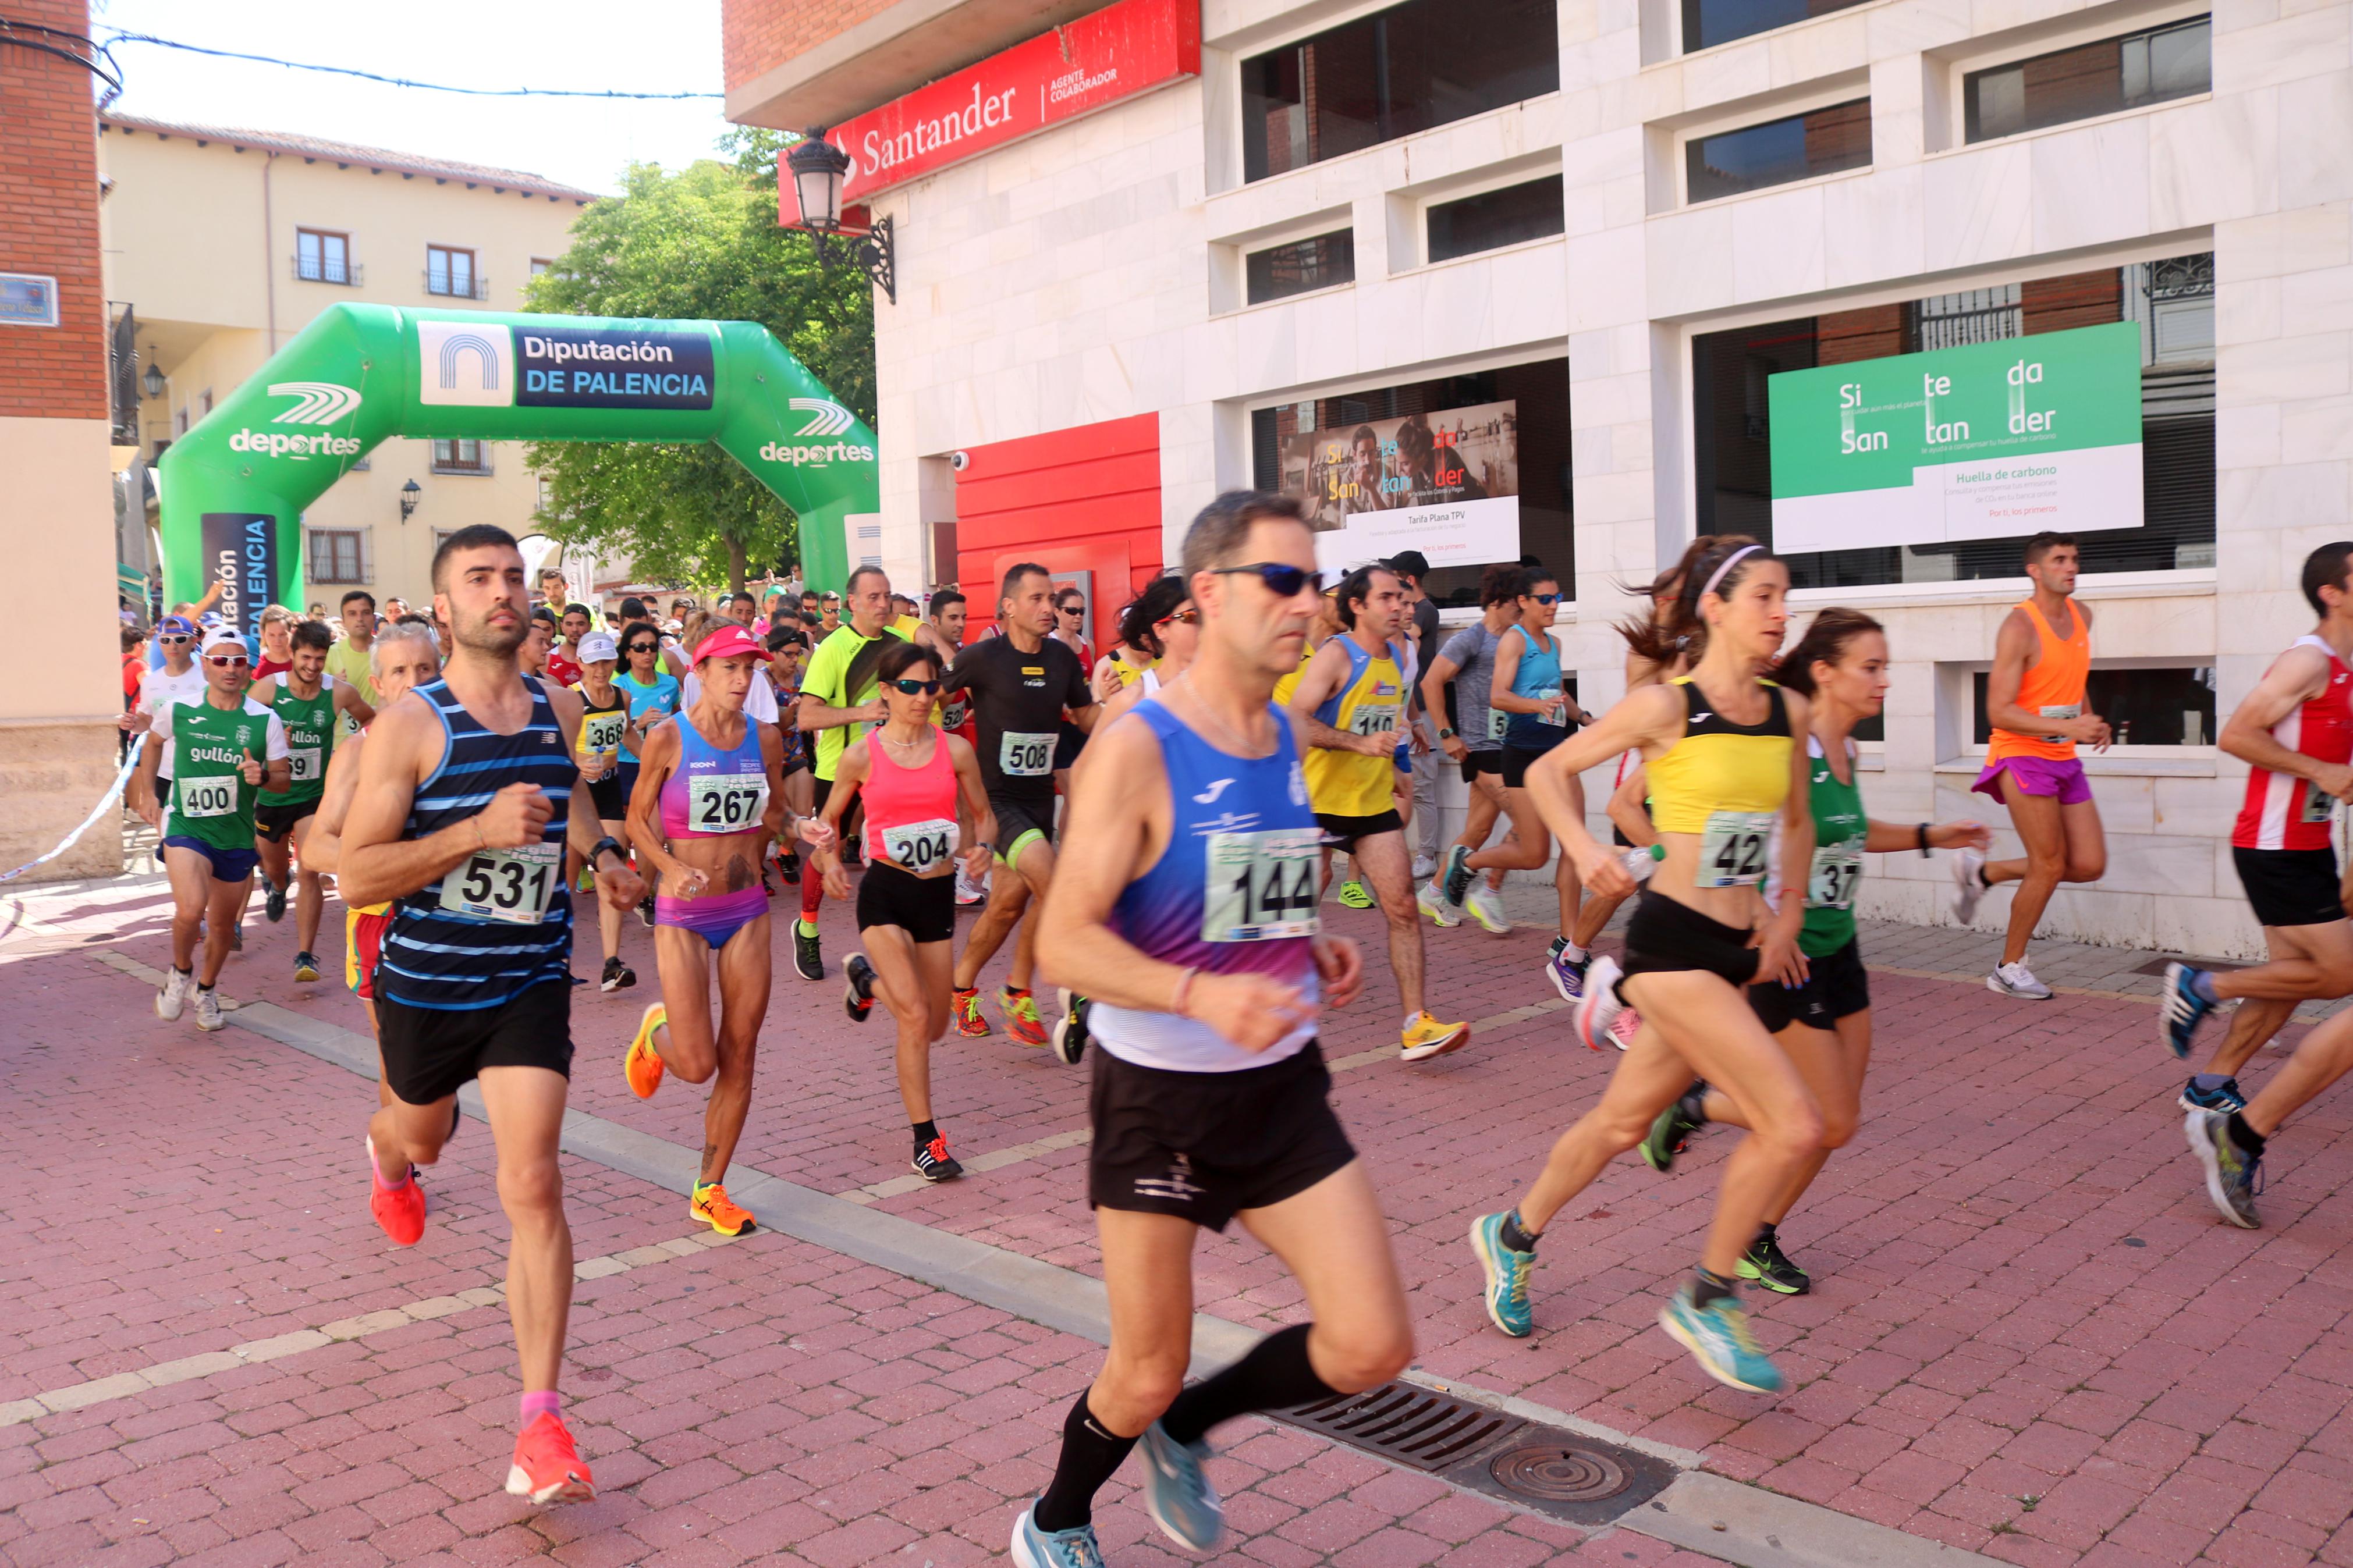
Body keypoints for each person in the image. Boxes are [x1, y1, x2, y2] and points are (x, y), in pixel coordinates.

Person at [1011, 491, 1408, 1568]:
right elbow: (1065, 947)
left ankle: (1191, 1427)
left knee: (1373, 1343)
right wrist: (1197, 994)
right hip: (1160, 1100)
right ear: (1210, 593)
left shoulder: (1281, 728)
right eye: (1282, 582)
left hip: (1280, 1082)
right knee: (1141, 1369)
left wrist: (1305, 941)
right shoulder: (1136, 748)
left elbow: (1242, 893)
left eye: (1314, 583)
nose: (1307, 604)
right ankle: (1054, 1516)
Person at [1466, 536, 1820, 1396]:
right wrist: (1586, 844)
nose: (1779, 614)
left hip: (1735, 950)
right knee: (1794, 1124)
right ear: (1714, 607)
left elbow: (1794, 823)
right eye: (1763, 597)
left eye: (1784, 597)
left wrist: (1785, 915)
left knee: (1622, 1123)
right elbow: (1550, 769)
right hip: (1671, 947)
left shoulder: (1785, 710)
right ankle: (1706, 1293)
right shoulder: (1669, 706)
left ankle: (1509, 1234)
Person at [338, 524, 647, 1505]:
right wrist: (471, 831)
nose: (501, 592)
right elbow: (354, 876)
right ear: (444, 607)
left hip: (525, 978)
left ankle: (540, 1423)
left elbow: (572, 805)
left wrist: (598, 857)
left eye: (512, 576)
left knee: (534, 1182)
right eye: (479, 579)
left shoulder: (556, 705)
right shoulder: (411, 726)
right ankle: (390, 1155)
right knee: (421, 1134)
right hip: (426, 988)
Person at [1638, 609, 1989, 1293]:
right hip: (1784, 953)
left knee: (1837, 1122)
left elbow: (1847, 836)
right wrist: (1769, 915)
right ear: (1824, 673)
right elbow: (1714, 832)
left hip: (1839, 945)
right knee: (1820, 1117)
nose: (1884, 681)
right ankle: (1701, 1125)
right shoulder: (1784, 744)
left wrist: (1930, 834)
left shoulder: (1846, 751)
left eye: (1885, 667)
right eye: (1871, 667)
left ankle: (1747, 1211)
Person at [622, 625, 819, 1236]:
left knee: (739, 1056)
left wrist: (799, 829)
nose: (742, 681)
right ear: (700, 672)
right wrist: (670, 867)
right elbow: (634, 817)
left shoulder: (764, 738)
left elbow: (771, 810)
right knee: (699, 1063)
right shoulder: (666, 737)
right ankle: (656, 1035)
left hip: (745, 911)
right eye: (730, 669)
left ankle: (709, 1188)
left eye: (750, 670)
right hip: (683, 913)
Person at [2159, 542, 2353, 1111]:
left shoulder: (2344, 666)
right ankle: (2201, 986)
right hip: (2272, 845)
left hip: (2307, 844)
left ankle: (2210, 1085)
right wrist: (2320, 769)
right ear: (2331, 594)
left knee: (2291, 979)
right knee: (2338, 974)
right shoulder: (2307, 660)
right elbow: (2236, 734)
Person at [822, 640, 996, 1179]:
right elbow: (826, 822)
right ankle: (926, 1139)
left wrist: (984, 848)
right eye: (911, 688)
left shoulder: (955, 750)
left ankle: (864, 983)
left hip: (935, 896)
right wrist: (827, 859)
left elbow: (984, 816)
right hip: (885, 894)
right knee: (916, 1015)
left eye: (931, 687)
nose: (924, 697)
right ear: (887, 692)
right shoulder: (862, 755)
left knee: (936, 1024)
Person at [1288, 562, 1468, 1062]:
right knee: (1284, 914)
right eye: (1387, 598)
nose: (1399, 607)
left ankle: (1416, 1024)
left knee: (1404, 909)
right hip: (1314, 804)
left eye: (1402, 598)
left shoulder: (1402, 653)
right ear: (1357, 605)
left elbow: (1391, 712)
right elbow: (1294, 720)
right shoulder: (1334, 655)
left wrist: (1405, 741)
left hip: (1369, 806)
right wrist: (1356, 742)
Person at [943, 564, 1097, 1045]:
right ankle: (1063, 985)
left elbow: (1086, 714)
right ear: (1008, 606)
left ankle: (962, 986)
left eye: (1050, 598)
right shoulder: (982, 657)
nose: (1048, 608)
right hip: (997, 801)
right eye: (1036, 598)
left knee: (1008, 906)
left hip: (1038, 799)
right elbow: (935, 699)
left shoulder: (1062, 659)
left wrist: (1130, 711)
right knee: (1052, 876)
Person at [1953, 533, 2110, 1001]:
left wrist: (2087, 718)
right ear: (2034, 570)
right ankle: (2008, 966)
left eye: (2075, 559)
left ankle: (1983, 874)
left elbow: (2070, 677)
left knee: (2086, 864)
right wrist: (2066, 727)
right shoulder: (2018, 627)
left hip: (2063, 756)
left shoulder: (2083, 615)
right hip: (2020, 754)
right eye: (2059, 560)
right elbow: (1998, 711)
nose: (2071, 567)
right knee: (2047, 864)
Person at [1436, 567, 1591, 987]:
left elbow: (1559, 692)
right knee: (1534, 853)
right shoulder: (1512, 641)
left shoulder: (1554, 643)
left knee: (1576, 847)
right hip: (1521, 756)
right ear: (1522, 602)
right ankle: (1467, 862)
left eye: (1557, 597)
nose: (1554, 605)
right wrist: (1533, 707)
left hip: (1559, 752)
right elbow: (1498, 696)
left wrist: (1585, 717)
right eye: (1545, 598)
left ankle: (1568, 942)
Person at [307, 621, 441, 1072]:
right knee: (403, 1063)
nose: (416, 680)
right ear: (379, 684)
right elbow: (315, 845)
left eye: (425, 667)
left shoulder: (471, 741)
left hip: (462, 919)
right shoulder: (357, 752)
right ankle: (394, 1142)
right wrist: (392, 865)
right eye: (400, 670)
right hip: (383, 921)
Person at [141, 627, 292, 1028]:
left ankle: (206, 990)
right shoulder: (180, 709)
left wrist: (261, 776)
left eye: (238, 661)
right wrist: (149, 794)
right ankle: (179, 973)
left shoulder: (265, 720)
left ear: (248, 669)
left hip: (236, 833)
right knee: (191, 910)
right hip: (187, 825)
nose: (229, 668)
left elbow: (283, 778)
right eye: (220, 660)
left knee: (223, 926)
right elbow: (152, 743)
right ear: (205, 663)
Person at [792, 568, 905, 979]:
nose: (882, 604)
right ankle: (806, 928)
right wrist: (863, 711)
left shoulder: (901, 646)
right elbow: (806, 716)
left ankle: (896, 936)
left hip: (889, 766)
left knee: (893, 846)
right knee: (828, 850)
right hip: (839, 767)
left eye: (886, 596)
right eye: (872, 597)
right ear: (851, 602)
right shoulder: (832, 649)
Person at [1416, 566, 1520, 937]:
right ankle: (1489, 890)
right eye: (1516, 603)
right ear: (1496, 602)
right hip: (1480, 751)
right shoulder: (1471, 639)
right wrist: (1447, 734)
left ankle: (1432, 893)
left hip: (1510, 746)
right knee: (1530, 822)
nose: (1522, 609)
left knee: (1477, 830)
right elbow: (1430, 682)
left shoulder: (1517, 638)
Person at [252, 619, 355, 980]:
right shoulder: (266, 691)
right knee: (278, 868)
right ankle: (278, 884)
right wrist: (274, 745)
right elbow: (241, 740)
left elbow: (374, 725)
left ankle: (306, 956)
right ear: (292, 654)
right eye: (306, 657)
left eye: (320, 659)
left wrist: (352, 760)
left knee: (310, 868)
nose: (312, 666)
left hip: (313, 798)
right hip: (272, 795)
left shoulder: (339, 693)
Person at [569, 631, 646, 993]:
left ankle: (611, 964)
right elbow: (552, 746)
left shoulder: (622, 696)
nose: (600, 670)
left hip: (610, 789)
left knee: (610, 869)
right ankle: (553, 961)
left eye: (606, 661)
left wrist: (655, 761)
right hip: (574, 794)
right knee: (563, 882)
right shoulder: (568, 701)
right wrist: (577, 762)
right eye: (593, 662)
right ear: (580, 663)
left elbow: (627, 733)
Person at [1388, 551, 1446, 879]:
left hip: (1418, 711)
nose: (1401, 609)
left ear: (1409, 581)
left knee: (1421, 787)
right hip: (1403, 716)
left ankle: (1426, 855)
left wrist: (1418, 723)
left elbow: (1412, 637)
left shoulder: (1424, 611)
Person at [126, 614, 208, 817]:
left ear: (193, 641)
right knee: (165, 834)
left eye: (180, 639)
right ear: (159, 644)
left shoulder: (207, 678)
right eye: (166, 640)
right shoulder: (151, 682)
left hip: (202, 770)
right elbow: (145, 722)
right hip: (164, 771)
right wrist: (133, 723)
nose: (173, 646)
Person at [326, 591, 382, 740]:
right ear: (343, 621)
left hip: (382, 738)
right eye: (352, 614)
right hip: (343, 743)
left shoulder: (388, 651)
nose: (359, 619)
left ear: (374, 618)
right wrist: (331, 685)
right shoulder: (331, 653)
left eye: (365, 613)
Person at [546, 603, 590, 689]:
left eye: (580, 624)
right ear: (562, 627)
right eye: (569, 624)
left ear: (589, 626)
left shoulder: (599, 661)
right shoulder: (547, 659)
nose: (575, 629)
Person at [254, 606, 297, 681]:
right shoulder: (255, 666)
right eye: (272, 635)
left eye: (282, 635)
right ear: (263, 634)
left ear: (291, 633)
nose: (277, 640)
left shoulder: (300, 665)